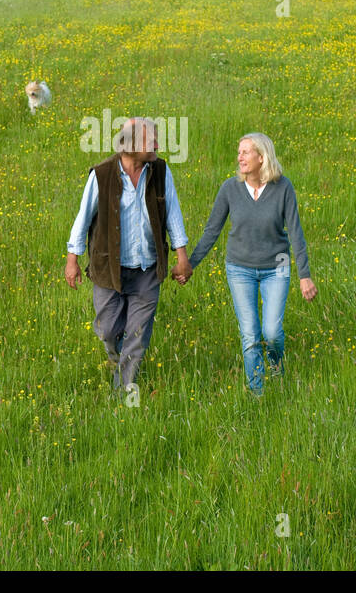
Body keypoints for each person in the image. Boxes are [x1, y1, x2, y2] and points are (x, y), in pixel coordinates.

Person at [65, 117, 191, 393]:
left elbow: (173, 213)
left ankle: (123, 390)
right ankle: (116, 358)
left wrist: (182, 256)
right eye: (151, 141)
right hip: (109, 268)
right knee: (109, 330)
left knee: (137, 334)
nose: (157, 144)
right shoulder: (102, 174)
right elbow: (82, 218)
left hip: (147, 268)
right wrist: (72, 260)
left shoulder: (159, 171)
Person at [185, 132, 315, 396]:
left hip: (276, 268)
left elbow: (296, 233)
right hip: (239, 269)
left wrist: (305, 275)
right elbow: (212, 230)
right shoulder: (230, 189)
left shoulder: (283, 188)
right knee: (250, 336)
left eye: (246, 152)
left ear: (261, 157)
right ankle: (257, 394)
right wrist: (190, 264)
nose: (239, 157)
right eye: (239, 151)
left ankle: (276, 365)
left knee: (272, 333)